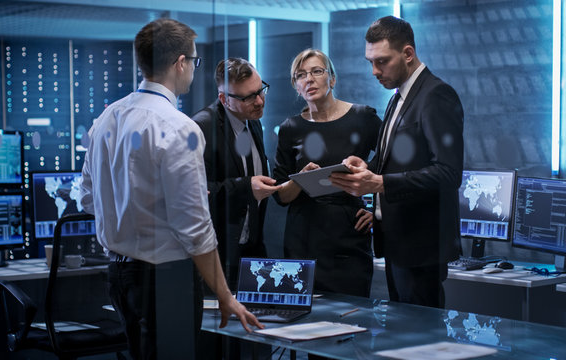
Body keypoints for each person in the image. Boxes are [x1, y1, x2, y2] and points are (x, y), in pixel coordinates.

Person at [79, 18, 262, 359]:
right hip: (164, 279)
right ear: (181, 63)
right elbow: (194, 227)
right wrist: (225, 295)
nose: (194, 68)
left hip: (118, 275)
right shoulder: (178, 127)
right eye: (194, 60)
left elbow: (88, 197)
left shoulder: (107, 118)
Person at [330, 16, 464, 308]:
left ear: (407, 54)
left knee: (421, 344)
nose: (375, 71)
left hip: (421, 246)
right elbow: (399, 158)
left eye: (382, 61)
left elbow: (449, 173)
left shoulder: (437, 95)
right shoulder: (398, 97)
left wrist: (380, 182)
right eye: (370, 62)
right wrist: (369, 167)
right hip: (399, 240)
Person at [272, 48, 381, 298]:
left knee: (352, 315)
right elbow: (280, 196)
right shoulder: (290, 128)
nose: (308, 79)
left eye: (317, 71)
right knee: (301, 319)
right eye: (301, 75)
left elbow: (393, 164)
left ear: (332, 79)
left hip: (349, 235)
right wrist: (300, 179)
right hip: (303, 237)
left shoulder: (363, 117)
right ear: (296, 86)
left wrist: (377, 210)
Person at [192, 58, 280, 290]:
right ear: (224, 99)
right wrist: (245, 187)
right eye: (248, 97)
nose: (260, 101)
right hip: (217, 256)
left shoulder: (253, 122)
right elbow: (197, 193)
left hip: (251, 251)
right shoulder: (202, 127)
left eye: (261, 90)